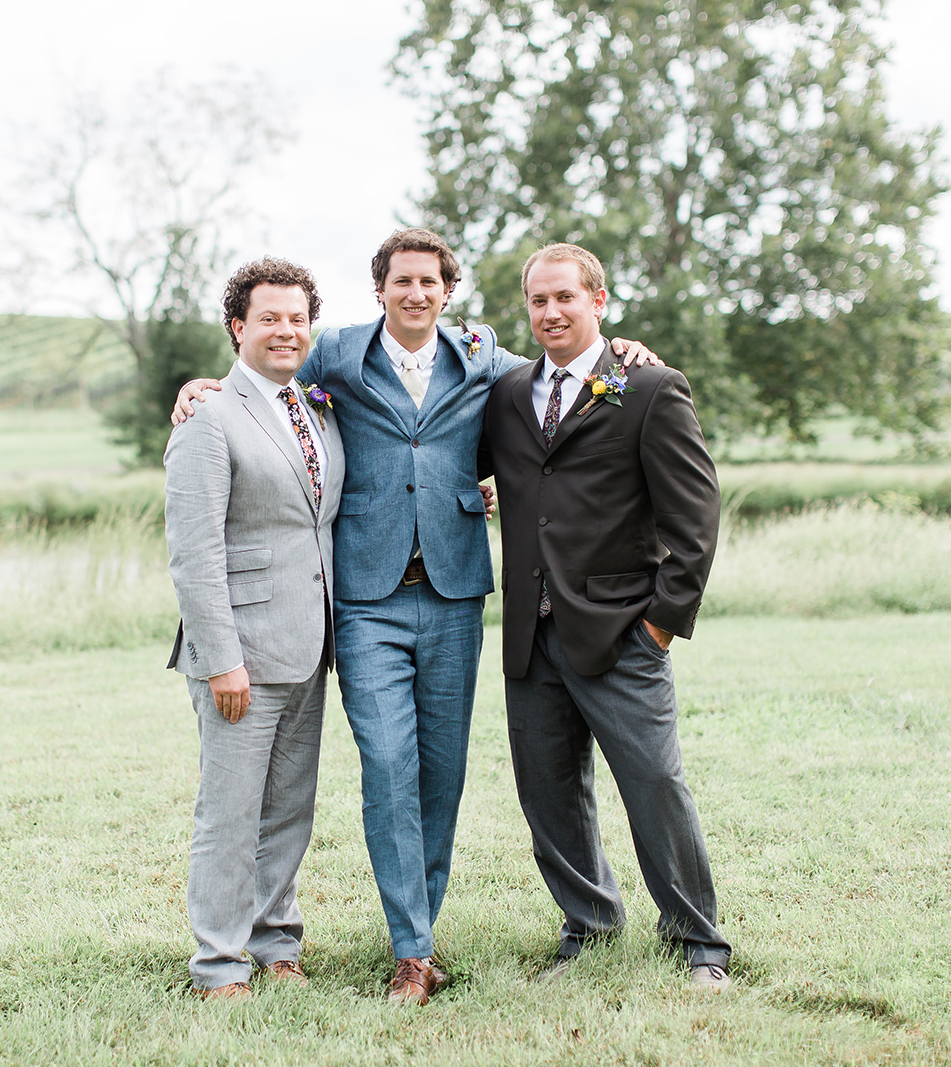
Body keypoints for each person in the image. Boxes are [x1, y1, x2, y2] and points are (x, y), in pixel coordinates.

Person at [173, 228, 659, 1004]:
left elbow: (561, 370)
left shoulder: (483, 358)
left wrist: (624, 350)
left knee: (444, 772)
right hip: (366, 602)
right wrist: (203, 386)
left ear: (447, 290)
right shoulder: (335, 352)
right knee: (390, 765)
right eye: (402, 280)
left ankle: (418, 939)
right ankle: (409, 953)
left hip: (457, 593)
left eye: (430, 281)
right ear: (381, 290)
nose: (416, 293)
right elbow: (266, 380)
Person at [479, 243, 732, 990]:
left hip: (623, 629)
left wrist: (660, 623)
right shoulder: (507, 395)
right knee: (547, 791)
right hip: (530, 630)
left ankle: (699, 942)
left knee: (654, 783)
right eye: (537, 301)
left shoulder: (648, 388)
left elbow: (696, 518)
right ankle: (587, 925)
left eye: (565, 297)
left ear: (599, 298)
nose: (551, 312)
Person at [162, 256, 343, 1000]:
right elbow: (194, 551)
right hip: (239, 657)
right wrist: (221, 659)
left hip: (309, 647)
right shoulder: (208, 416)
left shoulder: (319, 410)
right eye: (269, 316)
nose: (285, 329)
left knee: (289, 810)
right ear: (238, 327)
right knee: (230, 814)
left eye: (297, 317)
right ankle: (219, 962)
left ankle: (276, 942)